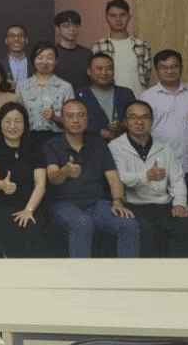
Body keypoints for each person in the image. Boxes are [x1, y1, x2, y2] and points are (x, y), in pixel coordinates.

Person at [44, 99, 139, 258]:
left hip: (96, 204)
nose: (76, 120)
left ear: (88, 118)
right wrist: (65, 171)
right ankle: (82, 274)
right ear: (62, 119)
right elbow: (53, 178)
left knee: (128, 225)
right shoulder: (52, 145)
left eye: (81, 115)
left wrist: (117, 201)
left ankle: (127, 273)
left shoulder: (99, 144)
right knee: (83, 223)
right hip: (63, 204)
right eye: (70, 116)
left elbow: (113, 178)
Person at [109, 100, 188, 257]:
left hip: (162, 204)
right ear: (125, 122)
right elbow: (121, 178)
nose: (139, 122)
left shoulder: (165, 149)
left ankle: (183, 272)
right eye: (133, 117)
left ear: (152, 121)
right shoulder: (115, 147)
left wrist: (179, 204)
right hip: (133, 204)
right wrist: (147, 175)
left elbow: (178, 180)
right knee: (147, 233)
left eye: (145, 117)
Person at [140, 49, 188, 213]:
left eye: (174, 66)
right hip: (159, 166)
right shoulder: (146, 97)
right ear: (157, 70)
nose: (170, 71)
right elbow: (140, 130)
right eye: (164, 67)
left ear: (181, 68)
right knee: (163, 213)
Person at [0, 103, 46, 258]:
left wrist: (28, 210)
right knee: (13, 228)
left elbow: (41, 184)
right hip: (0, 204)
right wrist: (1, 184)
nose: (12, 126)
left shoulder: (34, 147)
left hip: (30, 204)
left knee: (32, 227)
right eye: (7, 121)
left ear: (25, 124)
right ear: (0, 124)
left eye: (18, 121)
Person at [16, 41, 74, 146]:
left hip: (57, 140)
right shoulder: (22, 86)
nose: (44, 62)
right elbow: (17, 116)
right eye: (40, 57)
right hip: (28, 140)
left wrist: (55, 118)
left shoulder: (65, 87)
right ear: (33, 60)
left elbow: (72, 121)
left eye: (50, 58)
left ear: (56, 61)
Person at [91, 0, 152, 95]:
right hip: (108, 99)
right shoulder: (98, 47)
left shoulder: (141, 46)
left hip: (137, 99)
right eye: (113, 15)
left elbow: (147, 76)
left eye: (122, 15)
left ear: (129, 17)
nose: (118, 19)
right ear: (106, 18)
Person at [76, 53, 135, 142]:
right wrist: (98, 132)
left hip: (123, 145)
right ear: (89, 71)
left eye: (109, 69)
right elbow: (73, 122)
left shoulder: (126, 93)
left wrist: (121, 126)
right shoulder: (80, 95)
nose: (104, 73)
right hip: (91, 145)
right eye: (99, 69)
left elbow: (136, 118)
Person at [53, 10, 93, 93]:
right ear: (57, 29)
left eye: (76, 26)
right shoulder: (51, 53)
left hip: (83, 98)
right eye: (66, 26)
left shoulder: (87, 54)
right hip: (58, 97)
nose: (72, 29)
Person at [2, 24, 32, 91]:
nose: (16, 39)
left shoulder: (35, 63)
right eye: (12, 36)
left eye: (20, 36)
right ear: (6, 40)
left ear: (27, 40)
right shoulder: (0, 65)